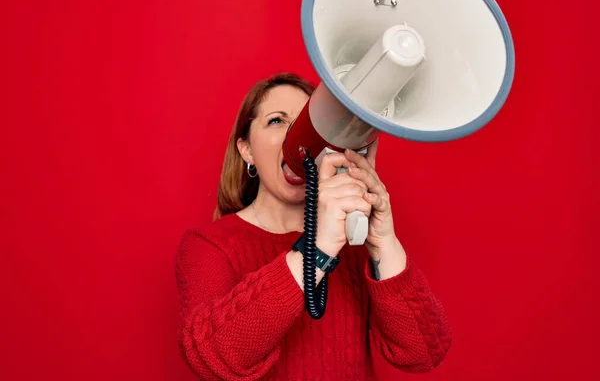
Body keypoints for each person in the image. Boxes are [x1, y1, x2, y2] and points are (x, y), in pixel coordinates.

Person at [175, 73, 452, 380]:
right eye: (278, 121)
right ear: (246, 149)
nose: (299, 136)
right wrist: (317, 248)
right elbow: (211, 357)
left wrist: (382, 241)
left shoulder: (354, 243)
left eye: (310, 122)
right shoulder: (208, 245)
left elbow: (424, 352)